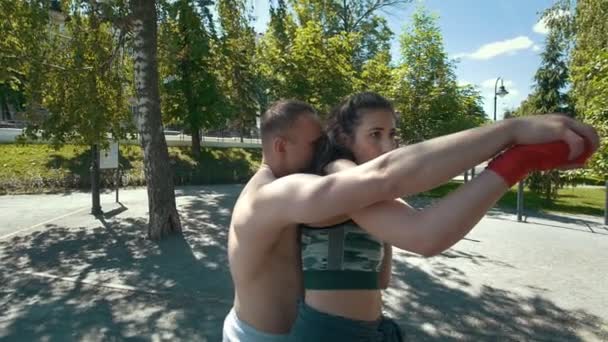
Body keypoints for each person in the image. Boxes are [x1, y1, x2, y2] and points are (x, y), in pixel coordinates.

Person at [222, 98, 598, 341]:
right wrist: (511, 136)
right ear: (280, 147)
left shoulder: (300, 188)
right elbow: (393, 186)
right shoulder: (271, 196)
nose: (322, 150)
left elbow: (383, 270)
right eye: (314, 143)